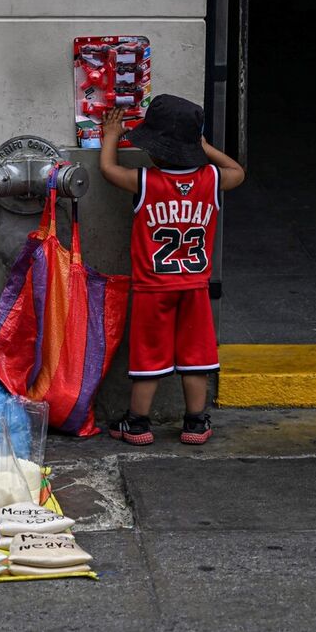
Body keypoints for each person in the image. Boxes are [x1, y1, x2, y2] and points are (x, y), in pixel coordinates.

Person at [97, 95, 245, 445]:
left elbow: (107, 170)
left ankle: (137, 423)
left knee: (149, 357)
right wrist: (207, 148)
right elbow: (239, 172)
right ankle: (195, 422)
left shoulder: (146, 181)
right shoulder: (211, 179)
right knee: (197, 357)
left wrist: (111, 136)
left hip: (153, 288)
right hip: (195, 287)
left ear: (155, 147)